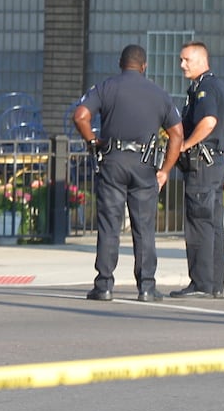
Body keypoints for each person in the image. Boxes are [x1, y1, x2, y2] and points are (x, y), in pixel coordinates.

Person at [71, 44, 183, 303]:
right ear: (144, 66)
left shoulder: (106, 87)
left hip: (112, 160)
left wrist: (92, 141)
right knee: (144, 227)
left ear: (120, 64)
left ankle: (104, 285)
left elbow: (80, 116)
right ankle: (146, 287)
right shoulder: (158, 93)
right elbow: (177, 133)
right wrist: (165, 169)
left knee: (109, 224)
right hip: (144, 165)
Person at [171, 42, 224, 299]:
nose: (182, 65)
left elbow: (210, 122)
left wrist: (185, 144)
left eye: (186, 59)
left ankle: (201, 283)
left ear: (201, 60)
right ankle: (214, 283)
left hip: (203, 166)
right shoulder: (218, 86)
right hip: (216, 163)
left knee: (199, 224)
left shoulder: (205, 88)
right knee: (213, 224)